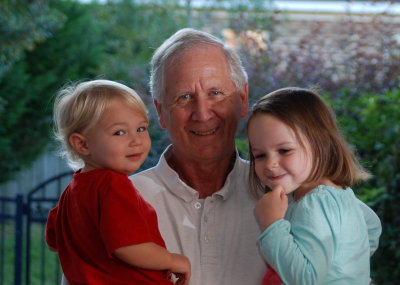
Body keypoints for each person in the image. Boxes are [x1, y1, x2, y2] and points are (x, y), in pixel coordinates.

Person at [129, 28, 266, 285]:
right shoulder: (122, 200)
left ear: (243, 98)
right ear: (160, 112)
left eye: (215, 93)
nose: (202, 114)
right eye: (184, 97)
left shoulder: (282, 196)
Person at [46, 79, 191, 285]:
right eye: (119, 132)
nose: (136, 140)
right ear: (82, 144)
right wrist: (173, 260)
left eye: (141, 128)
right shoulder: (112, 184)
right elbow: (127, 246)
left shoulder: (71, 193)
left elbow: (54, 242)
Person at [247, 87, 382, 284]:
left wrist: (272, 226)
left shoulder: (314, 203)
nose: (270, 164)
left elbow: (306, 279)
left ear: (320, 145)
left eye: (284, 150)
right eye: (260, 155)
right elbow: (372, 227)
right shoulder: (341, 194)